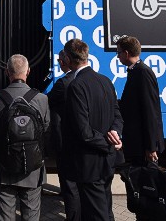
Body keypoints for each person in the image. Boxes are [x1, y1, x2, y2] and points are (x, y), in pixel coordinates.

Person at [60, 38, 123, 221]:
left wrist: (108, 143)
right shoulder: (106, 81)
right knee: (106, 209)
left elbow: (83, 132)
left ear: (69, 59)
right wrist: (116, 136)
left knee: (96, 214)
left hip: (89, 164)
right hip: (108, 161)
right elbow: (117, 115)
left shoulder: (76, 86)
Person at [0, 54, 50, 221]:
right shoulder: (42, 99)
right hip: (33, 169)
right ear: (28, 71)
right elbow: (46, 133)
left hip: (4, 167)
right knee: (31, 216)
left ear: (7, 72)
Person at [116, 36, 165, 165]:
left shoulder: (142, 73)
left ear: (126, 53)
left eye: (119, 52)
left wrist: (151, 146)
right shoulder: (136, 71)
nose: (117, 57)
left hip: (142, 146)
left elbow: (150, 111)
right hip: (138, 143)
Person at [46, 49, 80, 220]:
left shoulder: (63, 83)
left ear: (66, 60)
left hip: (66, 140)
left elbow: (47, 101)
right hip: (82, 140)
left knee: (69, 183)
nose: (58, 63)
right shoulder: (91, 79)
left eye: (60, 60)